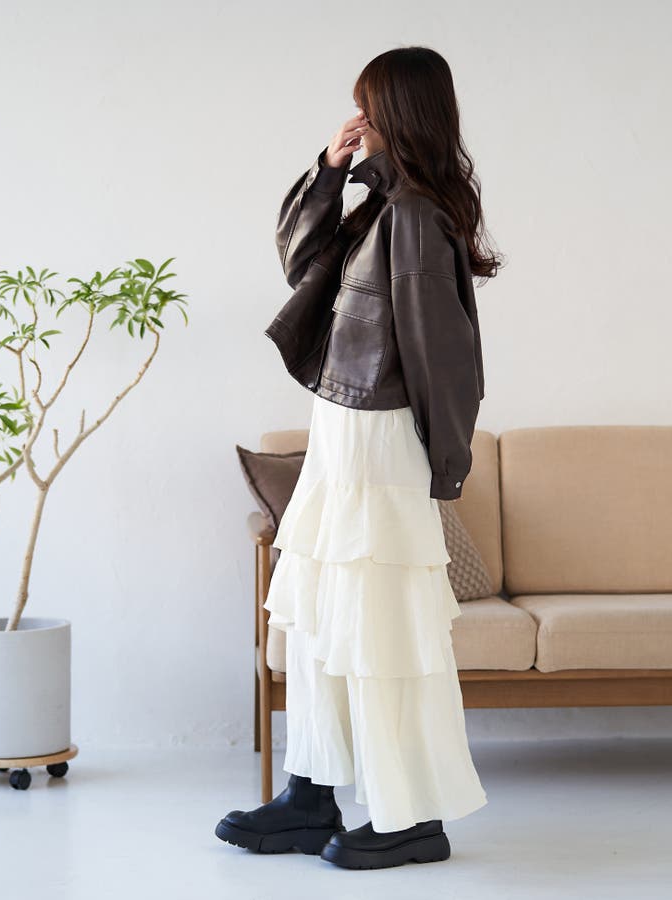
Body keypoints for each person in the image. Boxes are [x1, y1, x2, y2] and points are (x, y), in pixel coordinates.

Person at [216, 45, 503, 870]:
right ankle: (310, 794)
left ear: (402, 114)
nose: (360, 120)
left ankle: (412, 816)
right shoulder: (380, 206)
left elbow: (446, 360)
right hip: (341, 434)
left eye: (371, 107)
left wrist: (445, 466)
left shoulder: (413, 218)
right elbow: (298, 263)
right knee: (323, 622)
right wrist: (328, 172)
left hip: (377, 445)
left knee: (379, 632)